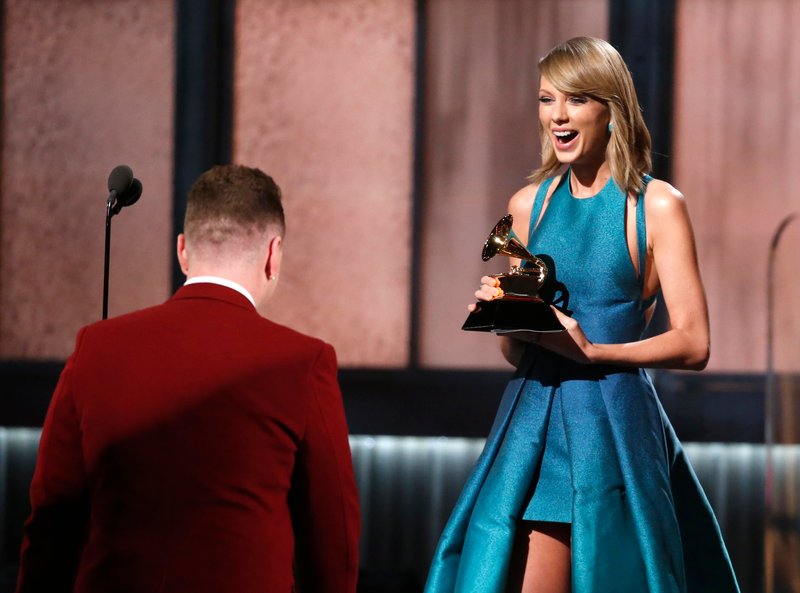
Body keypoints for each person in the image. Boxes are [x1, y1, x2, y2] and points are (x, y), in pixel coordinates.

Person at [424, 37, 739, 593]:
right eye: (547, 100)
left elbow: (693, 342)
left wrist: (593, 350)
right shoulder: (529, 204)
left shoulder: (656, 205)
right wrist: (509, 318)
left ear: (611, 110)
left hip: (611, 425)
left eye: (575, 100)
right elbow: (516, 352)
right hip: (531, 424)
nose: (558, 116)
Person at [15, 165, 361, 593]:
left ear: (183, 251)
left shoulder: (95, 347)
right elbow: (333, 538)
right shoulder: (303, 361)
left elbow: (52, 520)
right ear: (273, 254)